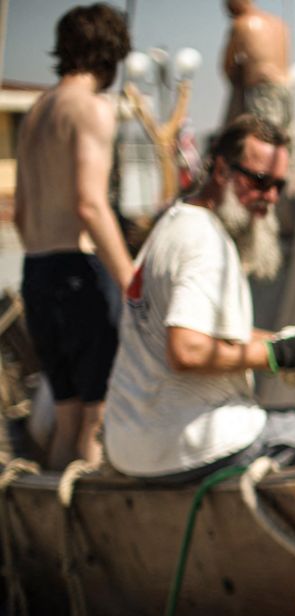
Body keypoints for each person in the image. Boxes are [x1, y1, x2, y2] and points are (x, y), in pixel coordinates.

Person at [103, 116, 295, 484]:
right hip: (189, 446)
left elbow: (213, 335)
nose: (269, 197)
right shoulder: (205, 243)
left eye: (278, 186)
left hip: (133, 446)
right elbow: (186, 349)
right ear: (221, 169)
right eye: (259, 181)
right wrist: (277, 356)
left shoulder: (174, 224)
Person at [13, 3, 134, 470]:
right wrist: (131, 281)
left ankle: (56, 531)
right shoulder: (91, 109)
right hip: (77, 275)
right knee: (94, 420)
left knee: (66, 420)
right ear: (112, 54)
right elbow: (90, 203)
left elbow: (21, 212)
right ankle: (96, 537)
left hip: (37, 270)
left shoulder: (38, 111)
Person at [221, 0, 293, 135]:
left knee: (264, 137)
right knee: (285, 138)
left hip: (263, 91)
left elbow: (227, 65)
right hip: (287, 87)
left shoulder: (241, 24)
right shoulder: (279, 24)